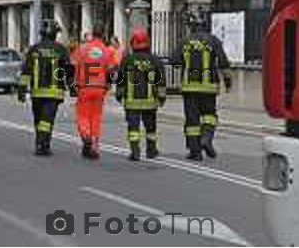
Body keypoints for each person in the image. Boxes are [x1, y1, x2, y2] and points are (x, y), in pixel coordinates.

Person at [170, 11, 232, 160]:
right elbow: (224, 64)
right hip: (209, 87)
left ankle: (195, 152)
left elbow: (174, 61)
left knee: (192, 120)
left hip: (189, 88)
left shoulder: (184, 41)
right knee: (210, 115)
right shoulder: (214, 40)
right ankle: (207, 139)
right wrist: (228, 83)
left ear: (190, 26)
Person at [18, 20, 73, 156]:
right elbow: (68, 72)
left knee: (39, 120)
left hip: (37, 93)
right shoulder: (61, 50)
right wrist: (72, 87)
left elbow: (26, 71)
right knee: (47, 121)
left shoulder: (34, 49)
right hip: (54, 93)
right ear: (54, 33)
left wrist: (22, 90)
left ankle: (42, 143)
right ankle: (42, 145)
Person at [116, 28, 166, 161]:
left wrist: (119, 94)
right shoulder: (155, 60)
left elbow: (120, 79)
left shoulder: (127, 60)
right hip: (150, 103)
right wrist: (161, 97)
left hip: (132, 102)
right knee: (150, 127)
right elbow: (160, 81)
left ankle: (135, 151)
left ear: (133, 43)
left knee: (133, 127)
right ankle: (151, 150)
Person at [72, 24, 119, 159]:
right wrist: (109, 84)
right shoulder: (107, 51)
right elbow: (112, 70)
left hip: (84, 87)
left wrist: (73, 84)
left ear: (92, 33)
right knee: (96, 117)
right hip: (100, 88)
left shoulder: (82, 49)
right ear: (104, 34)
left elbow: (73, 66)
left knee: (83, 115)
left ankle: (86, 136)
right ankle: (94, 146)